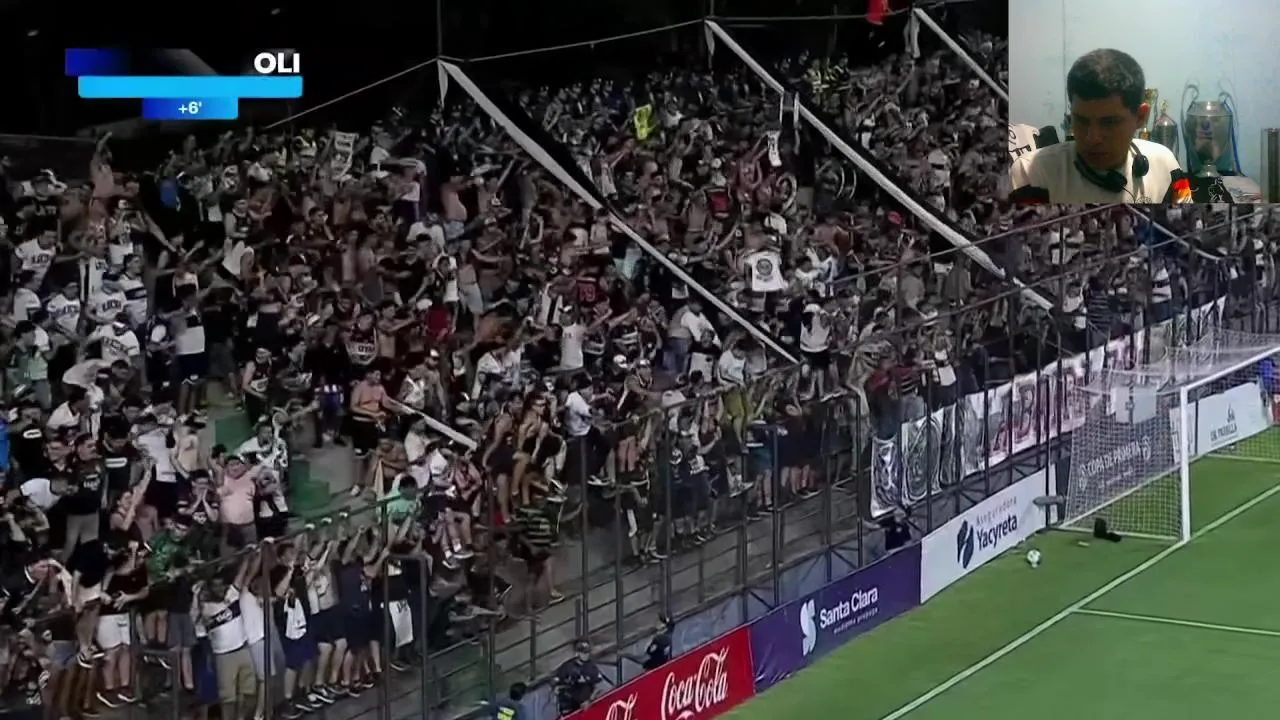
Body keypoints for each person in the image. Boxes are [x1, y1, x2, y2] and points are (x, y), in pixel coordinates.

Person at [1008, 49, 1185, 204]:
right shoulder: (1031, 174)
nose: (1093, 138)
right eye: (1081, 121)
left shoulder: (1167, 166)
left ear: (1141, 117)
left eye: (1109, 123)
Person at [553, 639, 602, 717]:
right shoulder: (567, 666)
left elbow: (598, 687)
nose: (586, 655)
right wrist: (557, 689)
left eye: (587, 652)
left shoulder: (591, 667)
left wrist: (589, 700)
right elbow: (556, 683)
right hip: (568, 706)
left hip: (585, 705)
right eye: (584, 653)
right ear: (577, 653)